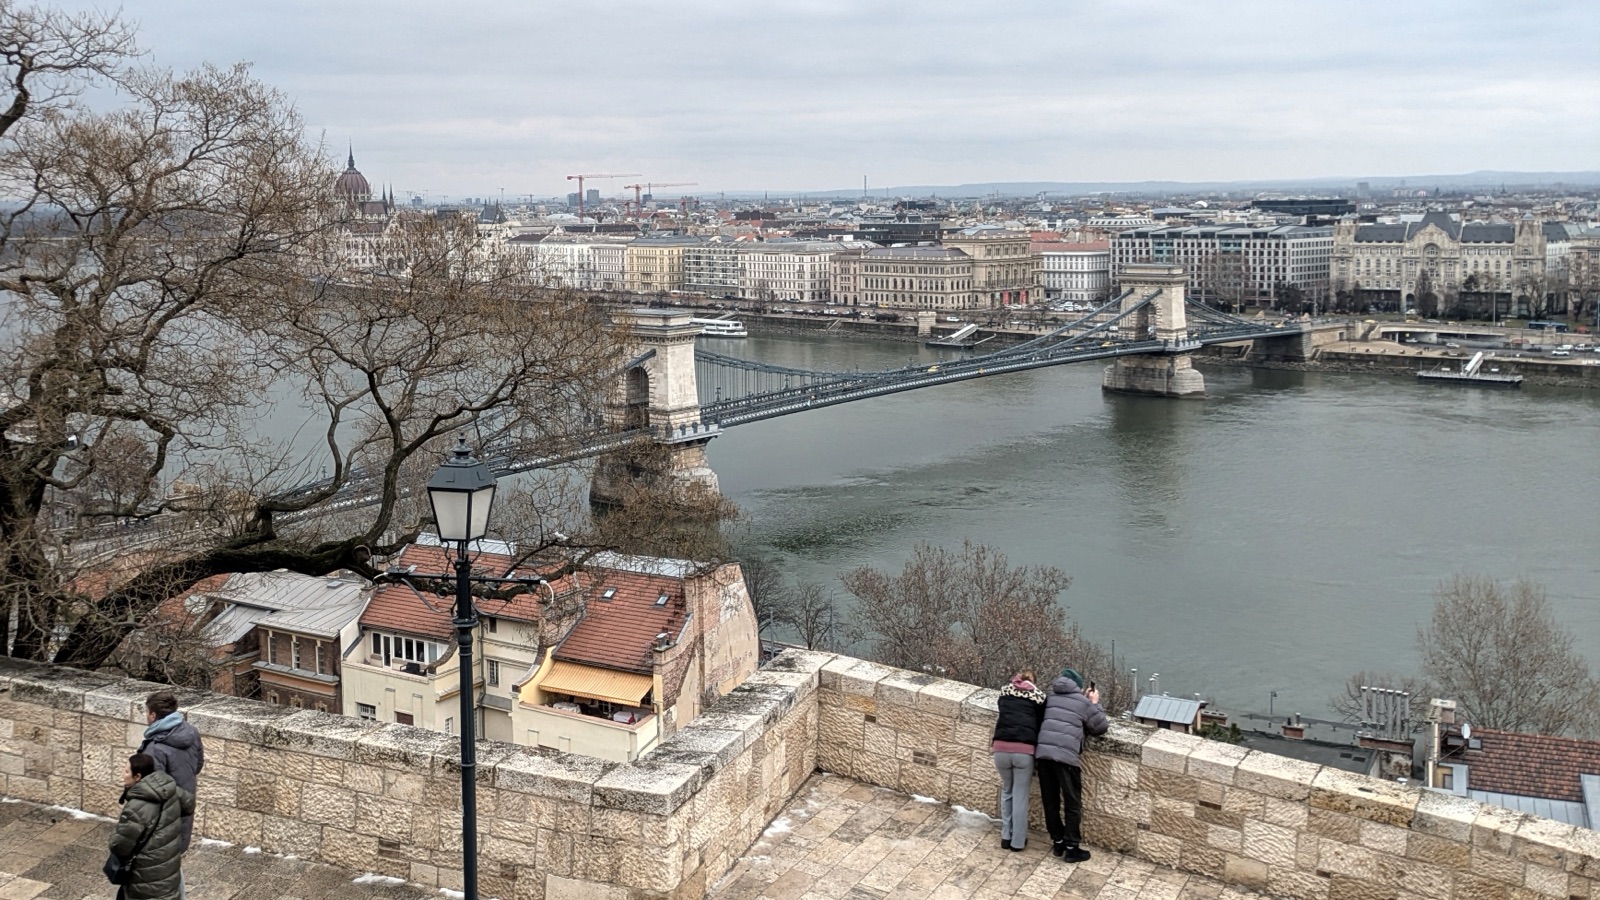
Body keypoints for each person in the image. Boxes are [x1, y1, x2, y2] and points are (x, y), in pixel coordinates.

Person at [1034, 667, 1109, 862]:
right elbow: (1100, 727)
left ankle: (1057, 842)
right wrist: (1094, 703)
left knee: (1050, 801)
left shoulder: (1049, 698)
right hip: (1066, 758)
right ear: (1078, 686)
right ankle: (1072, 847)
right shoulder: (1084, 703)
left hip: (1043, 756)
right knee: (1072, 802)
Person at [110, 752, 193, 900]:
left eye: (127, 771)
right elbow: (189, 805)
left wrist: (114, 837)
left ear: (138, 777)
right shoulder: (169, 789)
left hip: (145, 877)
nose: (123, 775)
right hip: (168, 869)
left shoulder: (136, 806)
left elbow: (120, 845)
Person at [138, 691, 204, 853]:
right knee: (173, 861)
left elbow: (151, 791)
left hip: (162, 820)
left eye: (147, 712)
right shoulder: (191, 731)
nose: (146, 716)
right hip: (184, 806)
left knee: (160, 867)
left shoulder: (154, 748)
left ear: (153, 715)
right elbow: (197, 765)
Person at [990, 669, 1046, 852]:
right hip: (1023, 750)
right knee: (1020, 795)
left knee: (1007, 791)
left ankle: (1006, 836)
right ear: (1034, 682)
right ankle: (1017, 842)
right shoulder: (1039, 698)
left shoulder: (1004, 693)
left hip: (1000, 749)